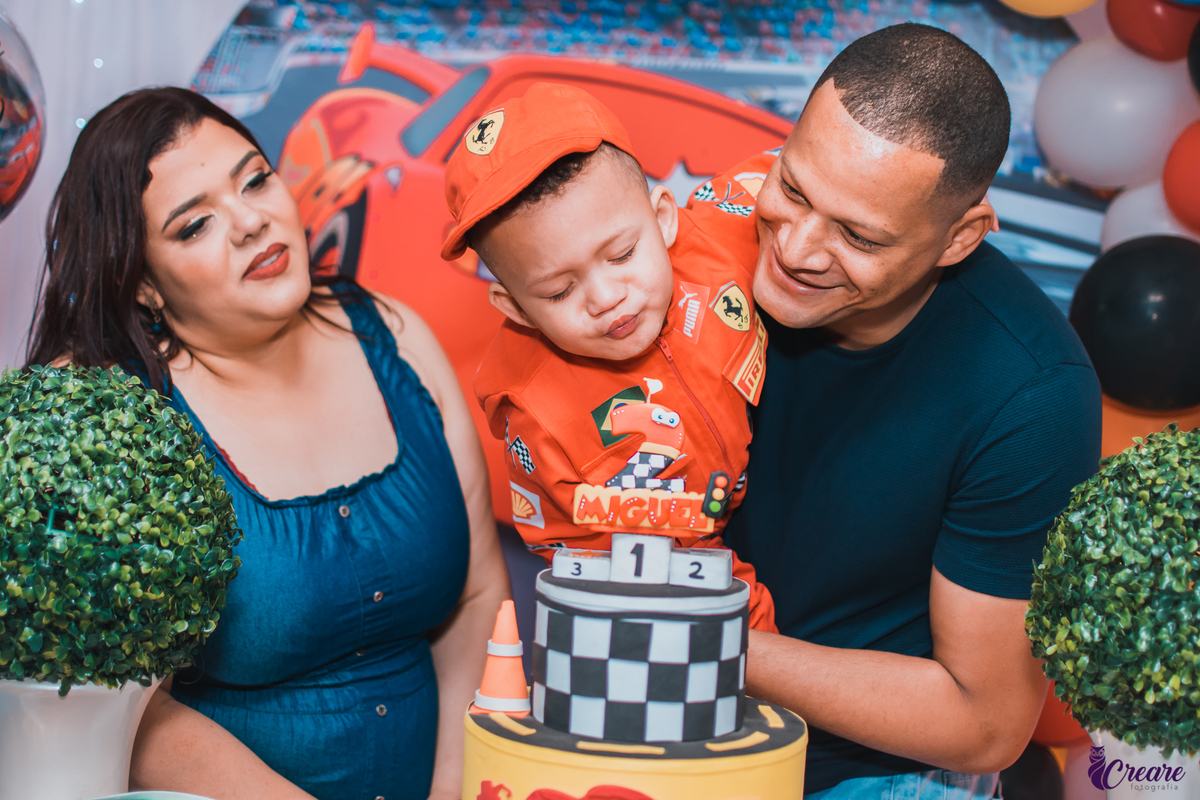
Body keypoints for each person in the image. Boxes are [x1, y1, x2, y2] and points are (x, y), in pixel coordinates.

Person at [24, 87, 510, 800]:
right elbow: (121, 708)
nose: (252, 221)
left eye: (256, 178)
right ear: (144, 288)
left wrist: (451, 788)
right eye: (195, 227)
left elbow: (477, 598)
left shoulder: (396, 336)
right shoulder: (115, 418)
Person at [706, 24, 1102, 798]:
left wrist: (704, 637)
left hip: (871, 774)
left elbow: (985, 723)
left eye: (857, 235)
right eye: (791, 189)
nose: (796, 249)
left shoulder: (1032, 393)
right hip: (671, 724)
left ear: (959, 239)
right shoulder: (703, 247)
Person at [443, 83, 774, 631]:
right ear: (516, 307)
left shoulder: (724, 234)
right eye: (558, 292)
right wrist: (755, 629)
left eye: (621, 254)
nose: (605, 298)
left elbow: (808, 170)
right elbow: (609, 568)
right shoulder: (540, 417)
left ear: (664, 217)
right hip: (691, 581)